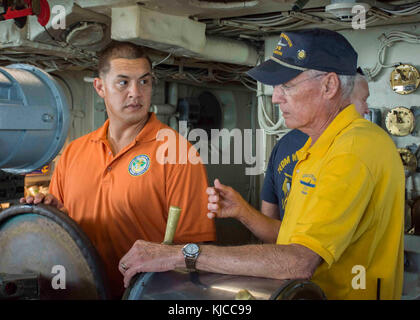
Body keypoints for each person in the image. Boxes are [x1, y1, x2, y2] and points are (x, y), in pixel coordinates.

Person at [118, 29, 405, 300]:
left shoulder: (352, 150)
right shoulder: (318, 145)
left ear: (329, 85)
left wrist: (180, 254)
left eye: (287, 85)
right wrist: (244, 212)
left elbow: (300, 261)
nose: (276, 97)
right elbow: (298, 239)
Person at [20, 41, 216, 298]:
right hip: (80, 292)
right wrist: (47, 212)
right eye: (123, 82)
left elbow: (197, 250)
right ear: (100, 87)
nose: (136, 92)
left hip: (147, 296)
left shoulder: (179, 154)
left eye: (144, 82)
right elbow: (61, 232)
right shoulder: (73, 152)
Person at [261, 69, 370, 221]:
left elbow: (269, 218)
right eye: (363, 99)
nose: (367, 109)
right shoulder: (356, 148)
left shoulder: (355, 150)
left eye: (287, 86)